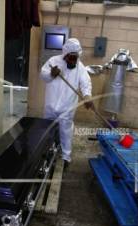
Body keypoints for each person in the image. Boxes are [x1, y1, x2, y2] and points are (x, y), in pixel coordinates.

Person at [40, 38, 93, 168]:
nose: (72, 61)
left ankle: (65, 157)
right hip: (51, 104)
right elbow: (43, 75)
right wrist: (51, 74)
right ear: (65, 55)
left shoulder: (80, 68)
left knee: (65, 131)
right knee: (48, 129)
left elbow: (86, 83)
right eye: (70, 58)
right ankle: (46, 150)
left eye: (75, 58)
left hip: (67, 106)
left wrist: (87, 96)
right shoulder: (54, 62)